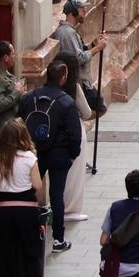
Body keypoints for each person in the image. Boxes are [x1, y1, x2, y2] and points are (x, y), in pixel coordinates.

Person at [17, 59, 82, 252]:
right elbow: (75, 134)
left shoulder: (29, 98)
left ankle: (27, 234)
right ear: (63, 78)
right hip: (59, 154)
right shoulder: (66, 102)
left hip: (34, 152)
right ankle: (58, 239)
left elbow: (20, 123)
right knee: (56, 196)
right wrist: (73, 155)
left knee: (28, 192)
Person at [0, 119, 45, 277]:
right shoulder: (29, 158)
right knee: (31, 251)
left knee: (5, 253)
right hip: (27, 210)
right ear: (22, 136)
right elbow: (37, 186)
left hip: (3, 211)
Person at [56, 52, 91, 223]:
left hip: (55, 133)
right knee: (75, 173)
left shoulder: (49, 87)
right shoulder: (74, 88)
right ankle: (71, 209)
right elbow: (87, 112)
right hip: (75, 131)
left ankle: (58, 206)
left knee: (58, 173)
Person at [52, 0, 107, 104]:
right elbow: (79, 58)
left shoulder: (69, 31)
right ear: (74, 12)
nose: (85, 13)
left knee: (98, 104)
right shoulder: (67, 33)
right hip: (77, 83)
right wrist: (98, 48)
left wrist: (94, 44)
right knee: (98, 107)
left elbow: (80, 50)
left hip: (81, 82)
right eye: (82, 10)